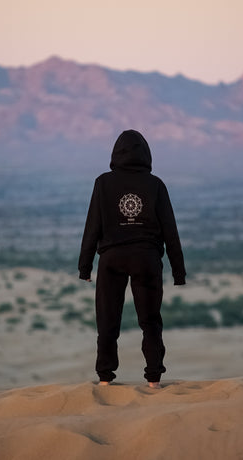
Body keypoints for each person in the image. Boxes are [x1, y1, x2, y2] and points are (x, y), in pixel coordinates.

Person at [78, 130, 186, 388]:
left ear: (115, 154)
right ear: (146, 154)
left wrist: (85, 266)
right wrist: (178, 271)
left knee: (107, 320)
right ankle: (154, 380)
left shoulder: (102, 183)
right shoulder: (156, 185)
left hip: (111, 259)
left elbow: (92, 225)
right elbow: (170, 230)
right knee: (150, 321)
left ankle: (105, 379)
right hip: (146, 258)